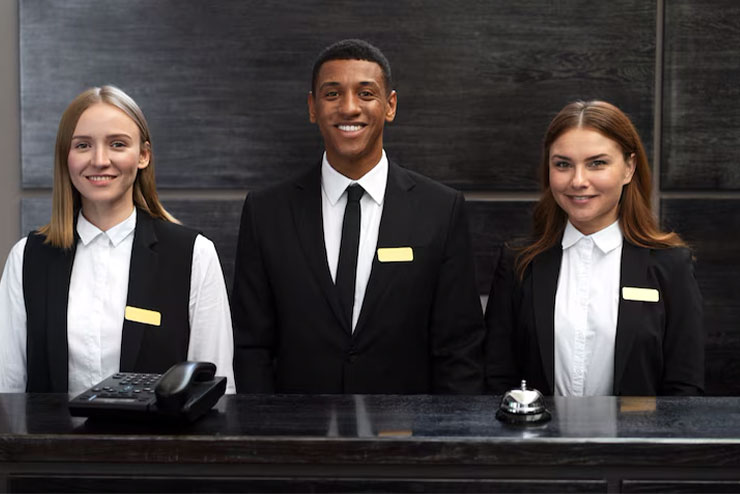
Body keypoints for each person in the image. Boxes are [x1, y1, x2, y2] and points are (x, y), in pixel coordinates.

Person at [232, 39, 484, 394]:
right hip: (296, 426)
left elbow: (459, 350)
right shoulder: (266, 213)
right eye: (332, 94)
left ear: (390, 105)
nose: (349, 108)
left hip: (406, 425)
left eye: (366, 94)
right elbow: (250, 347)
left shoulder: (441, 210)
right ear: (313, 107)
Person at [0, 86, 235, 395]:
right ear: (65, 157)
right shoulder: (27, 258)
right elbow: (8, 389)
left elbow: (216, 392)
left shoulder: (194, 255)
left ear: (143, 156)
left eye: (117, 144)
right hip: (51, 430)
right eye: (83, 145)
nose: (100, 160)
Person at [484, 100, 704, 396]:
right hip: (537, 428)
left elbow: (685, 389)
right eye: (563, 164)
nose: (578, 181)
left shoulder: (670, 265)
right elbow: (496, 378)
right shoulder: (519, 263)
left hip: (640, 429)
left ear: (629, 168)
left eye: (597, 163)